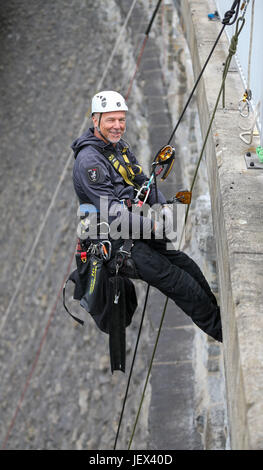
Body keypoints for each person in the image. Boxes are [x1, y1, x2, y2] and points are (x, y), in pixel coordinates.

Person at [71, 90, 222, 342]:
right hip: (116, 242)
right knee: (178, 282)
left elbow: (142, 180)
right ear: (95, 120)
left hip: (133, 230)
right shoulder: (90, 162)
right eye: (111, 120)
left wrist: (161, 205)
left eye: (121, 120)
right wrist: (152, 225)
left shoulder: (118, 148)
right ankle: (224, 332)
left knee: (187, 266)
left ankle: (220, 316)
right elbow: (112, 212)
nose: (118, 126)